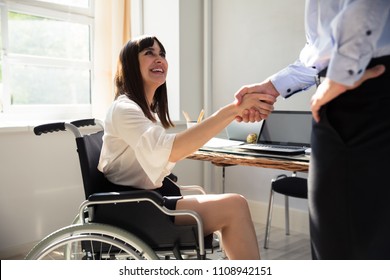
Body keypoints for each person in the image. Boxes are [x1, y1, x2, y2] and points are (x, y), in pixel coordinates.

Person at [98, 35, 276, 260]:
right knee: (235, 206)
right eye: (149, 53)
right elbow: (170, 150)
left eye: (162, 54)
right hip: (137, 208)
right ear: (131, 65)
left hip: (148, 200)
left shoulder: (143, 111)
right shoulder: (124, 109)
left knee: (234, 205)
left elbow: (166, 152)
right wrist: (232, 111)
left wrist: (234, 112)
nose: (159, 59)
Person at [235, 0, 390, 259]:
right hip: (352, 88)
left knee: (350, 245)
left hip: (362, 92)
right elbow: (320, 51)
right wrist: (272, 86)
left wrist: (340, 75)